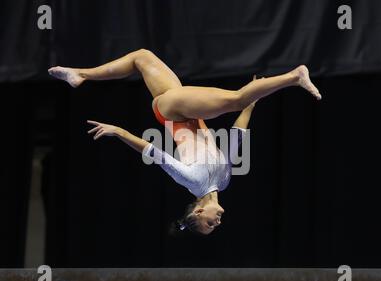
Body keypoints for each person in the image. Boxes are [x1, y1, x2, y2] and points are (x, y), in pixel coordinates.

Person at [48, 49, 321, 235]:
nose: (217, 223)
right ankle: (81, 74)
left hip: (174, 112)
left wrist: (118, 131)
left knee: (236, 98)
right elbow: (237, 136)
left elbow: (154, 153)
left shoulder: (192, 180)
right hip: (181, 110)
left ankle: (295, 76)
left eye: (208, 225)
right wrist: (252, 103)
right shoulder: (224, 180)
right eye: (213, 226)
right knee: (141, 57)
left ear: (199, 210)